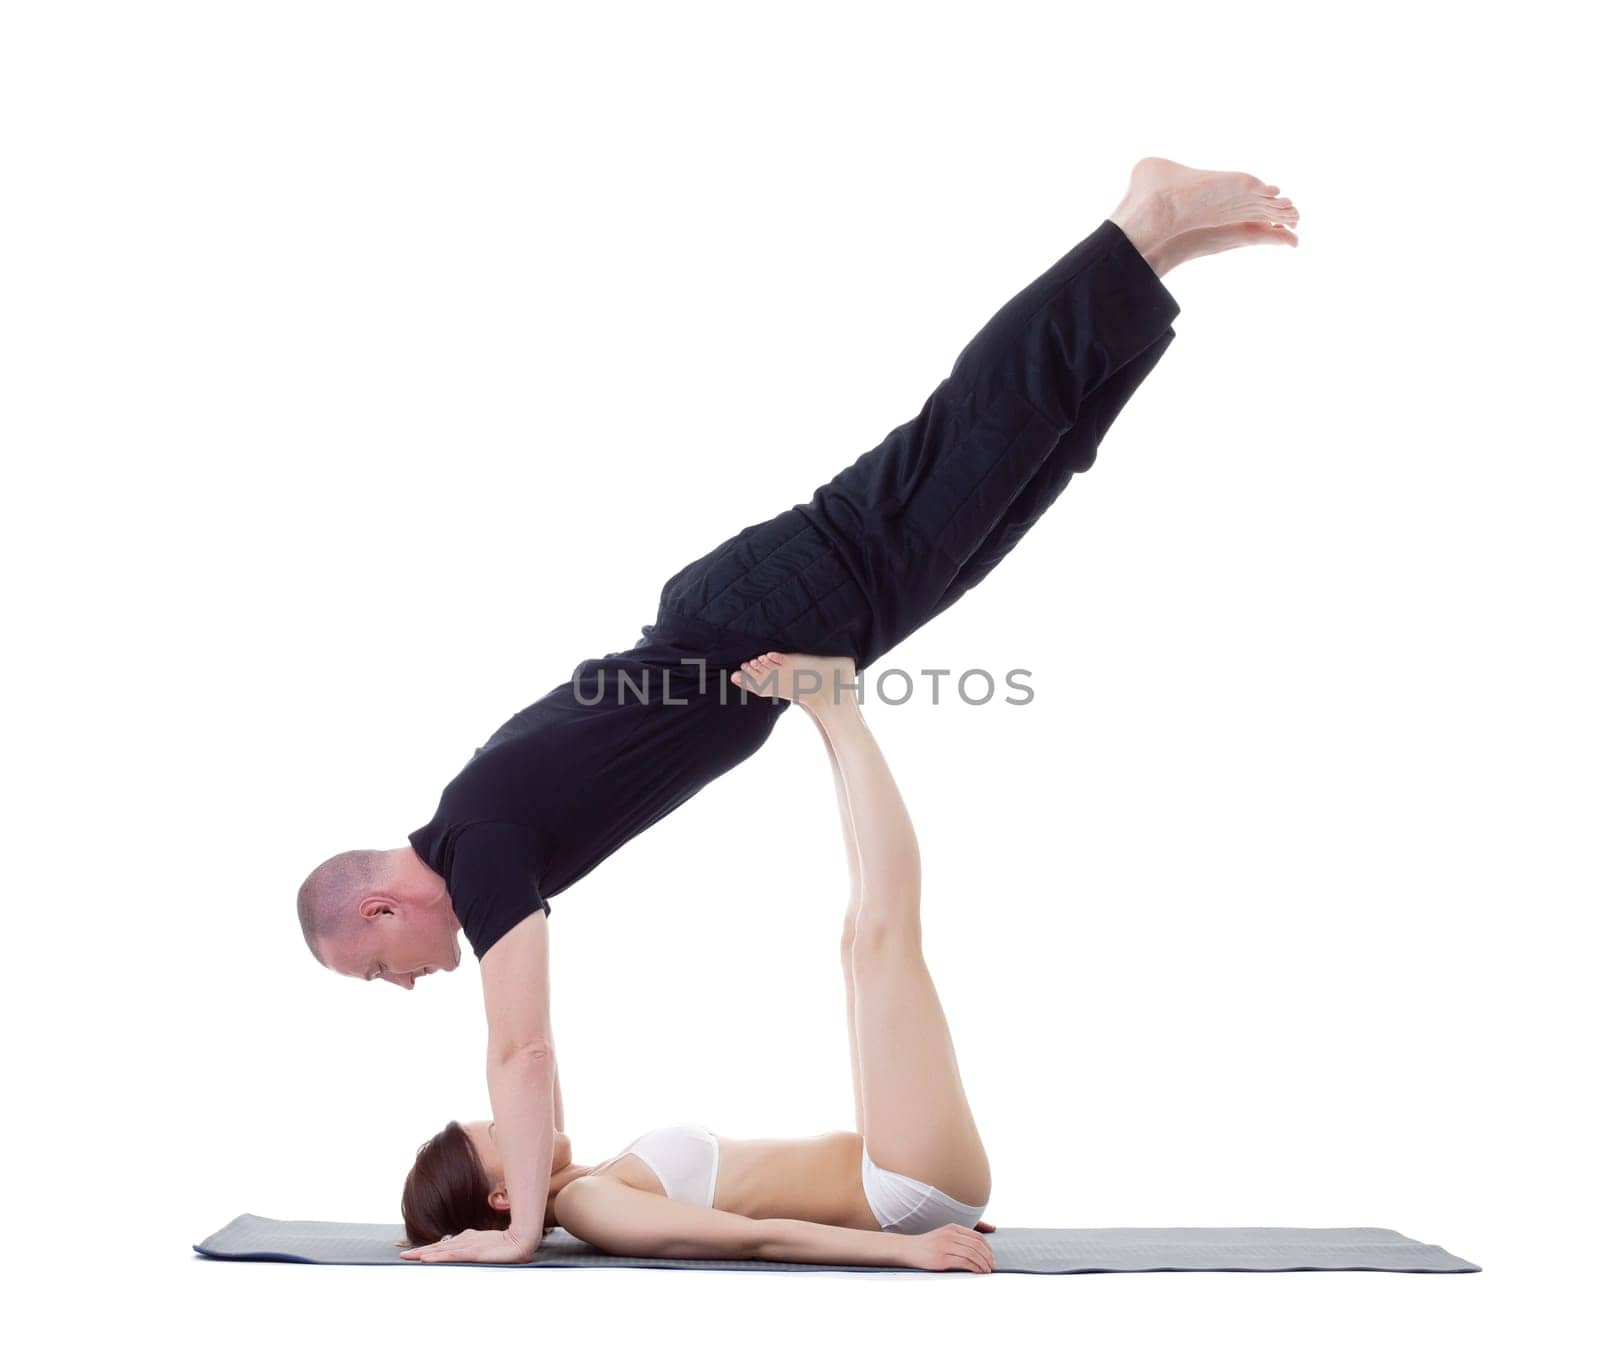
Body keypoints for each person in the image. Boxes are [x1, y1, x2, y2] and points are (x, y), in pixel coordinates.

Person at [300, 157, 1298, 1263]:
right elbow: (529, 1062)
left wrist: (519, 1229)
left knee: (960, 446)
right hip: (765, 630)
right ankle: (1149, 258)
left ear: (385, 909)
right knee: (1019, 473)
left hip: (759, 620)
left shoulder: (478, 850)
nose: (404, 984)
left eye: (378, 969)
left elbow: (520, 1051)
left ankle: (1138, 219)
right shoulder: (481, 824)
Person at [403, 652, 1001, 1271]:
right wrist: (907, 1248)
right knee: (883, 935)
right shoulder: (589, 1204)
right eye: (501, 1130)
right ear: (503, 1196)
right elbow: (755, 1238)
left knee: (862, 940)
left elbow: (531, 1045)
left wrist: (496, 899)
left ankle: (827, 711)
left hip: (903, 1179)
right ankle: (836, 708)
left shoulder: (598, 1176)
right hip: (901, 1195)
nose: (513, 1118)